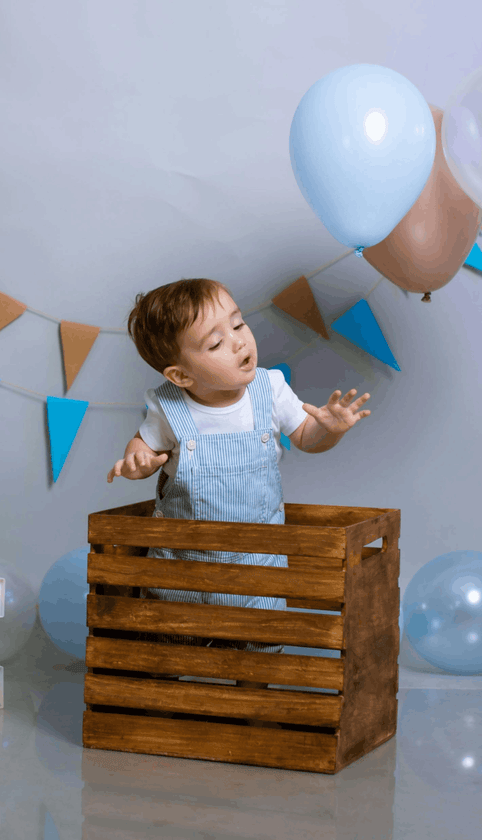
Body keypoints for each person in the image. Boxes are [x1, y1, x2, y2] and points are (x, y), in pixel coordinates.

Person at [107, 278, 371, 724]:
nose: (239, 342)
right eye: (216, 342)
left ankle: (250, 709)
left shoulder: (270, 390)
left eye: (239, 324)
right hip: (182, 561)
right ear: (181, 375)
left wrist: (329, 428)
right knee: (169, 638)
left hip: (258, 559)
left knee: (261, 641)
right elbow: (144, 446)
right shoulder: (168, 406)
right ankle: (158, 710)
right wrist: (139, 460)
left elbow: (306, 437)